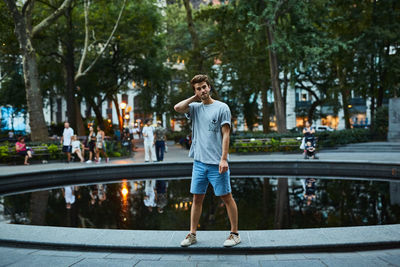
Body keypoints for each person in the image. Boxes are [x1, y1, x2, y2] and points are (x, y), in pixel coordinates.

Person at [174, 74, 240, 247]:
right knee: (197, 199)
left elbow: (226, 134)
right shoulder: (195, 108)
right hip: (199, 163)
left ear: (209, 87)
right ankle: (192, 234)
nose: (202, 90)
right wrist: (194, 98)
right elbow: (177, 108)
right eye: (198, 88)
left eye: (204, 87)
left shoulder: (222, 107)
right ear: (195, 91)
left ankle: (234, 234)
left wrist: (224, 159)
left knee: (226, 197)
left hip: (217, 163)